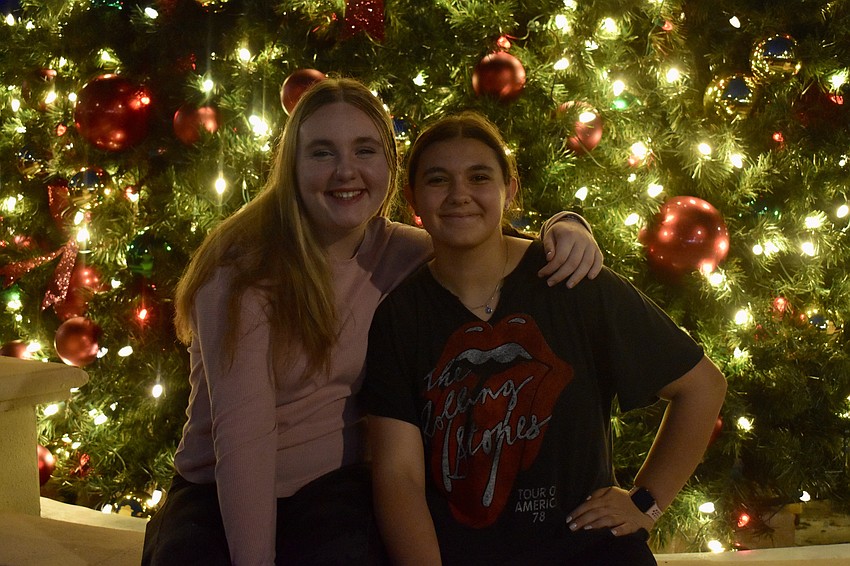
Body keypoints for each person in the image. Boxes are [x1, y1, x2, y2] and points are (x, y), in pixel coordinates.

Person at [141, 79, 603, 566]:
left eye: (365, 150)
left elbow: (489, 246)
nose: (346, 171)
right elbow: (242, 439)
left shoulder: (406, 251)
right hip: (218, 487)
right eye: (322, 153)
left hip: (335, 488)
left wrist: (565, 225)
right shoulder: (240, 270)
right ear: (291, 167)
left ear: (389, 164)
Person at [364, 112, 728, 566]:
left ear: (509, 189)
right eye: (438, 180)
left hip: (591, 551)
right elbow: (398, 475)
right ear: (412, 197)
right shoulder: (399, 317)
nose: (459, 195)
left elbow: (702, 386)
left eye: (479, 177)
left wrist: (645, 504)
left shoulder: (571, 280)